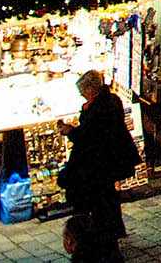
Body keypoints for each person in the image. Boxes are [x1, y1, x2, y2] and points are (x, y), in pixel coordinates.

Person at [58, 70, 135, 251]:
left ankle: (104, 235)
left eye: (83, 91)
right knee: (107, 196)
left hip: (101, 161)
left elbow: (91, 136)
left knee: (101, 198)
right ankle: (111, 232)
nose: (81, 95)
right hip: (108, 160)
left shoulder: (100, 107)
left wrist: (70, 131)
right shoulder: (110, 101)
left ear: (92, 89)